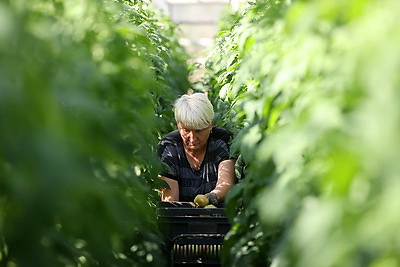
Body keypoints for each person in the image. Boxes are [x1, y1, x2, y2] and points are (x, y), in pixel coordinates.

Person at [157, 92, 236, 205]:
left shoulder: (222, 141)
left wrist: (211, 197)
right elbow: (170, 203)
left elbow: (226, 182)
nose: (192, 138)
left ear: (210, 125)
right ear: (178, 125)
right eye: (186, 130)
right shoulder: (168, 147)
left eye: (199, 130)